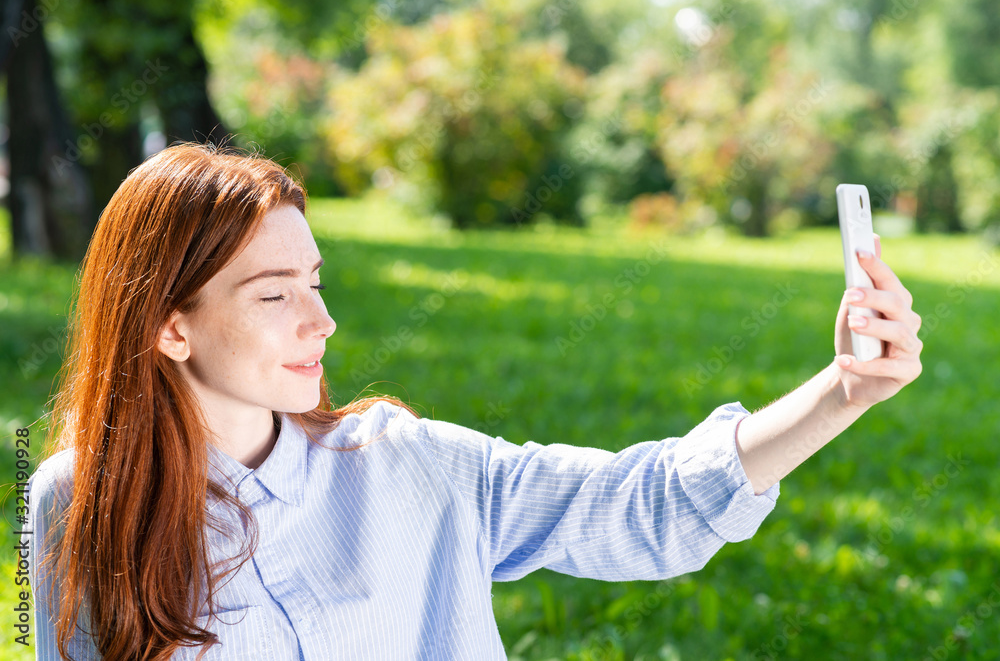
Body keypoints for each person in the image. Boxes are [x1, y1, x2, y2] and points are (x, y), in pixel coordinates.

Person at [26, 143, 922, 661]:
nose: (323, 320)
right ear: (169, 327)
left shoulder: (404, 463)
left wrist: (843, 391)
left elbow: (642, 503)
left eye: (316, 280)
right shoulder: (77, 496)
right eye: (274, 294)